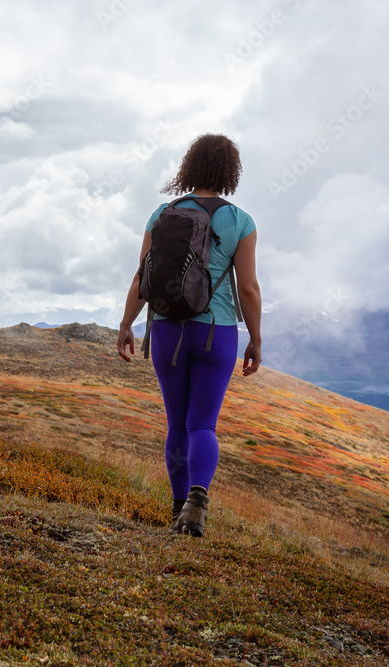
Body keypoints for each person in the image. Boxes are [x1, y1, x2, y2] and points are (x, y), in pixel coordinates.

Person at [116, 133, 262, 537]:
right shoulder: (240, 221)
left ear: (190, 167)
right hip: (217, 334)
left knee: (177, 424)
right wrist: (256, 338)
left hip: (166, 330)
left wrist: (127, 323)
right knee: (203, 425)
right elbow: (247, 288)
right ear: (230, 172)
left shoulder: (163, 214)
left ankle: (178, 508)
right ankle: (197, 504)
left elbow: (141, 277)